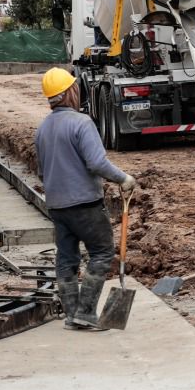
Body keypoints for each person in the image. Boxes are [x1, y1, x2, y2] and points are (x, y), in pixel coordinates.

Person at [33, 67, 135, 331]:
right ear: (70, 92)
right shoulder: (82, 123)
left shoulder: (42, 129)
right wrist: (123, 178)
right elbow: (97, 162)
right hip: (85, 205)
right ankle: (86, 312)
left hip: (57, 206)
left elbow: (42, 171)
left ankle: (72, 315)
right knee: (102, 252)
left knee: (66, 259)